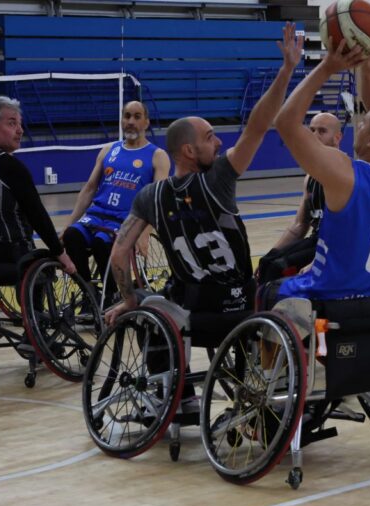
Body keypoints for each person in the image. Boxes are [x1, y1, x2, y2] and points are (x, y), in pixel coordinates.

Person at [104, 22, 303, 326]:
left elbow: (119, 252)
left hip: (189, 312)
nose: (219, 142)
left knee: (148, 305)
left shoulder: (149, 196)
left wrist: (129, 300)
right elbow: (258, 126)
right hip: (238, 307)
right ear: (188, 150)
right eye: (210, 138)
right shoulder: (219, 177)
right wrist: (286, 71)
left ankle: (164, 356)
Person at [271, 45, 370, 303]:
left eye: (362, 125)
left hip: (327, 296)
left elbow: (285, 123)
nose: (358, 126)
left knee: (266, 290)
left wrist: (326, 68)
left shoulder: (345, 174)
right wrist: (366, 66)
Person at [62, 101, 170, 305]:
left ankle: (112, 294)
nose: (131, 121)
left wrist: (144, 233)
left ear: (146, 122)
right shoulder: (108, 150)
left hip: (126, 220)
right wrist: (68, 224)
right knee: (71, 236)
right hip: (96, 215)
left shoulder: (157, 156)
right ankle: (89, 292)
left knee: (101, 243)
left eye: (137, 116)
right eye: (127, 116)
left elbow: (157, 200)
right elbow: (89, 189)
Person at [0, 96, 75, 275]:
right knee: (45, 269)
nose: (20, 130)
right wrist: (60, 253)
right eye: (12, 123)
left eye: (20, 124)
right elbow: (37, 215)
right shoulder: (8, 164)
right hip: (10, 256)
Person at [256, 112, 342, 283]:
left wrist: (316, 262)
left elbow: (349, 231)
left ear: (337, 137)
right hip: (316, 240)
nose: (314, 136)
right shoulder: (311, 176)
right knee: (266, 263)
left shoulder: (346, 174)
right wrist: (272, 253)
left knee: (278, 267)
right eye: (312, 130)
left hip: (338, 245)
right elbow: (299, 225)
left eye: (322, 131)